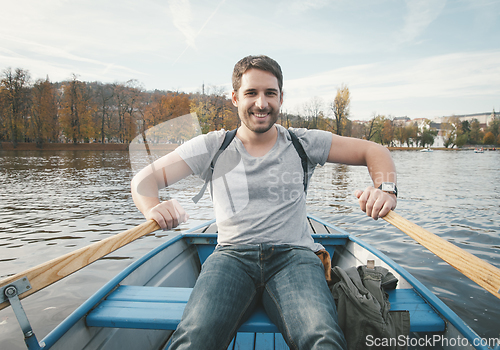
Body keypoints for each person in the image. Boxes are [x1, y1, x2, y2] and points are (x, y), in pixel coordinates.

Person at [131, 55, 397, 350]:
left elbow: (373, 151)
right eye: (251, 93)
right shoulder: (213, 146)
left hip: (295, 258)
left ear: (281, 98)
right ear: (234, 98)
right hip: (231, 257)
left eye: (270, 93)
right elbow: (144, 181)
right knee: (195, 337)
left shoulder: (302, 143)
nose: (261, 103)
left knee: (322, 338)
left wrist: (385, 189)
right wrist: (151, 206)